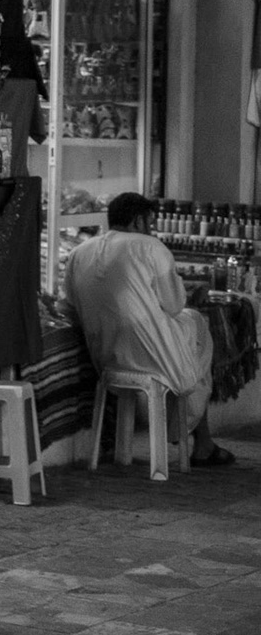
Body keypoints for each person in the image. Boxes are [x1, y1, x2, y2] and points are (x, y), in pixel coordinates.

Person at [63, 192, 232, 468]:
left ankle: (198, 438)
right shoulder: (151, 246)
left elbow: (69, 305)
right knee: (197, 324)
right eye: (150, 222)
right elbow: (174, 305)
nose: (150, 229)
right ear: (138, 221)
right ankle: (193, 437)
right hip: (153, 357)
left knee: (191, 339)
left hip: (106, 359)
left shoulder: (78, 253)